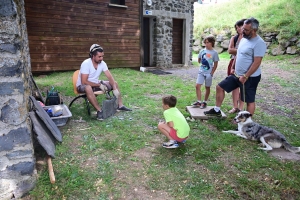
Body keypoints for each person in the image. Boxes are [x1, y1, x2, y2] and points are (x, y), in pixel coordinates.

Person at [204, 17, 267, 117]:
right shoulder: (243, 39)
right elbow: (238, 54)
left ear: (254, 30)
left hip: (250, 77)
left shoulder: (259, 43)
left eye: (246, 30)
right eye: (242, 29)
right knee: (220, 87)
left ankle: (246, 123)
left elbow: (257, 62)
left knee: (248, 100)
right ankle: (217, 110)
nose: (243, 31)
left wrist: (246, 76)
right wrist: (233, 67)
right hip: (236, 74)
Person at [76, 44, 131, 120]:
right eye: (99, 57)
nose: (101, 58)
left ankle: (120, 105)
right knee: (88, 88)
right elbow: (84, 81)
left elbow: (109, 77)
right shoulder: (86, 64)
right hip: (83, 86)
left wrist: (114, 88)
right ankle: (99, 111)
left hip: (96, 84)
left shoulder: (102, 63)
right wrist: (99, 85)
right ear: (93, 56)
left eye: (102, 56)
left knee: (115, 83)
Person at [191, 36, 219, 109]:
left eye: (208, 42)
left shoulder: (214, 53)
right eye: (205, 42)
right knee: (197, 86)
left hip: (209, 73)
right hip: (201, 72)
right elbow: (199, 60)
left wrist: (212, 73)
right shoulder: (202, 51)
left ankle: (204, 102)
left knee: (207, 87)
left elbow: (215, 64)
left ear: (212, 43)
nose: (206, 44)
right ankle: (199, 101)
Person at [227, 19, 246, 114]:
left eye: (240, 26)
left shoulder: (248, 39)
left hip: (243, 63)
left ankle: (241, 108)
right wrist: (241, 50)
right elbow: (230, 50)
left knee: (243, 85)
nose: (238, 28)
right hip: (233, 62)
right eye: (237, 27)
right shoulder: (234, 38)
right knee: (234, 85)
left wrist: (237, 50)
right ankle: (235, 107)